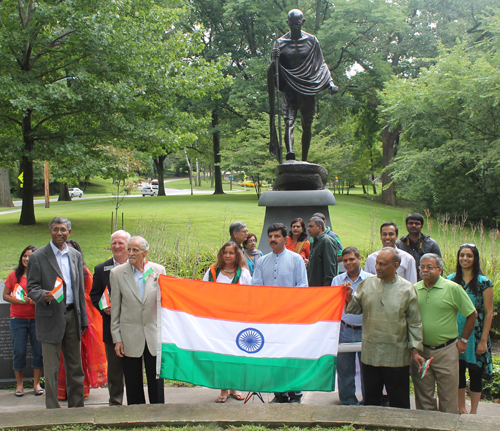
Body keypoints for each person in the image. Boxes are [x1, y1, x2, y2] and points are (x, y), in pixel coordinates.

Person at [344, 247, 424, 409]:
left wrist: (415, 350)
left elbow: (415, 322)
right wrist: (348, 296)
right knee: (372, 399)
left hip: (396, 355)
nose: (378, 267)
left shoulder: (407, 289)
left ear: (395, 266)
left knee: (398, 399)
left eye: (383, 264)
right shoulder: (367, 284)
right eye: (376, 263)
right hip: (371, 353)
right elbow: (354, 309)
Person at [27, 217, 88, 409]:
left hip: (72, 316)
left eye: (63, 229)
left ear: (69, 232)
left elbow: (79, 289)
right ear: (50, 231)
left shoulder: (75, 255)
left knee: (75, 367)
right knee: (52, 368)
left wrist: (83, 318)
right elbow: (31, 287)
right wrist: (44, 295)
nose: (59, 233)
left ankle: (77, 407)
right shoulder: (38, 257)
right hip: (50, 317)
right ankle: (53, 409)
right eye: (55, 229)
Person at [268, 9, 338, 162]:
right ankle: (290, 154)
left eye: (297, 24)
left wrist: (330, 83)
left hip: (308, 87)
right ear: (287, 23)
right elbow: (273, 70)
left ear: (303, 22)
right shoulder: (279, 43)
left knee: (307, 124)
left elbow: (321, 65)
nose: (294, 27)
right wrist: (274, 60)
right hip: (288, 88)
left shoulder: (312, 41)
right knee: (288, 121)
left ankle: (305, 160)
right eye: (291, 24)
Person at [411, 253, 477, 414]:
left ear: (440, 270)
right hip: (421, 352)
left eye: (430, 267)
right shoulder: (414, 289)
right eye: (422, 267)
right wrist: (414, 349)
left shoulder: (453, 288)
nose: (425, 270)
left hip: (446, 351)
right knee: (423, 396)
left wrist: (464, 340)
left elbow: (472, 314)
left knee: (448, 397)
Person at [252, 223, 308, 403]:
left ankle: (295, 394)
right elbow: (256, 288)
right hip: (270, 318)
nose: (273, 239)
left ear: (285, 239)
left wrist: (286, 304)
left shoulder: (296, 259)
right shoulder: (262, 261)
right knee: (274, 355)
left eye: (277, 236)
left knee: (291, 355)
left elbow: (302, 287)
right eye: (270, 236)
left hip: (290, 317)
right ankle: (279, 394)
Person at [110, 236, 166, 405]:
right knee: (133, 381)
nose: (131, 253)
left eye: (135, 250)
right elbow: (115, 309)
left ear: (145, 252)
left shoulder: (159, 270)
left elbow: (165, 302)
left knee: (156, 380)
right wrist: (117, 338)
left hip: (153, 334)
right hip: (130, 335)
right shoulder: (117, 273)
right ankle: (136, 415)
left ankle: (158, 414)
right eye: (129, 249)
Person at [57, 240, 107, 401]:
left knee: (79, 354)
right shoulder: (57, 269)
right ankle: (62, 391)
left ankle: (79, 390)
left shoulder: (84, 271)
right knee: (62, 356)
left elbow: (90, 294)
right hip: (61, 315)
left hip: (82, 316)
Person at [203, 241, 252, 402]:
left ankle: (234, 387)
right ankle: (224, 389)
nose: (228, 256)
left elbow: (250, 294)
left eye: (231, 253)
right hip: (217, 321)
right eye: (225, 252)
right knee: (221, 354)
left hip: (237, 321)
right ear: (221, 254)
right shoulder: (212, 272)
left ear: (237, 255)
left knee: (236, 353)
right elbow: (201, 293)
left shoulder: (243, 273)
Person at [447, 245, 493, 414]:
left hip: (477, 334)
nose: (465, 258)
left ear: (475, 259)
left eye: (469, 256)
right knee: (458, 372)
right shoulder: (450, 280)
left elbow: (488, 313)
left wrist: (483, 340)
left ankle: (473, 411)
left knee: (475, 373)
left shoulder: (484, 283)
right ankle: (460, 408)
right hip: (455, 333)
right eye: (462, 255)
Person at [90, 229, 130, 406]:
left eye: (121, 242)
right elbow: (95, 294)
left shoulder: (138, 267)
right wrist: (103, 306)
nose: (117, 246)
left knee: (134, 368)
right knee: (114, 369)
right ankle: (115, 403)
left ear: (128, 245)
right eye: (114, 242)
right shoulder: (101, 269)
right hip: (111, 327)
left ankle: (136, 402)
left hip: (134, 326)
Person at [330, 247, 371, 406]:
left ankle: (369, 399)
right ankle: (348, 401)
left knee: (367, 368)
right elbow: (334, 305)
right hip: (345, 329)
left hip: (366, 329)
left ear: (360, 259)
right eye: (345, 260)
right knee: (345, 368)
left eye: (352, 259)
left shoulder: (371, 279)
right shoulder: (337, 280)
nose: (348, 263)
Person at [3, 245, 43, 397]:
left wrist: (37, 301)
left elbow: (46, 295)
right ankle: (19, 385)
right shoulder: (14, 275)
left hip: (36, 319)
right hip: (18, 319)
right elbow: (5, 295)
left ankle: (36, 383)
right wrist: (18, 301)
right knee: (19, 351)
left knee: (38, 352)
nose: (27, 259)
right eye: (25, 256)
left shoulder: (40, 275)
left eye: (31, 256)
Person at [396, 213, 441, 279]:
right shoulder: (400, 244)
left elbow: (439, 267)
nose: (414, 226)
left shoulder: (431, 244)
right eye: (411, 223)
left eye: (417, 224)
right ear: (406, 226)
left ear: (421, 226)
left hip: (426, 283)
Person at [306, 217, 337, 286]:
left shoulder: (326, 241)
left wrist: (326, 288)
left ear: (319, 227)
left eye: (311, 226)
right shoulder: (316, 241)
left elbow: (329, 267)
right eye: (308, 226)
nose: (308, 229)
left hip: (322, 288)